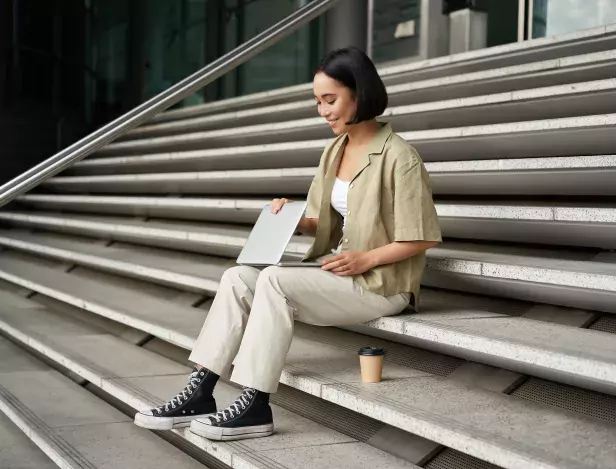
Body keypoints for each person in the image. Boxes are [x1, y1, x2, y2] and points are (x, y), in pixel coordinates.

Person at [134, 47, 442, 441]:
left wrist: (367, 258)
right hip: (338, 270)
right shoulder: (335, 150)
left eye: (330, 100)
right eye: (318, 102)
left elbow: (422, 235)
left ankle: (256, 404)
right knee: (238, 277)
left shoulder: (400, 157)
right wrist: (291, 219)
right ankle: (202, 390)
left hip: (382, 283)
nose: (323, 111)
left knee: (275, 281)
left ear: (359, 93)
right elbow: (321, 221)